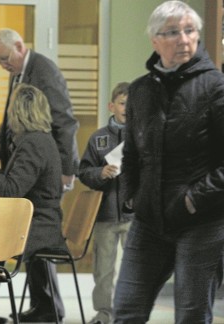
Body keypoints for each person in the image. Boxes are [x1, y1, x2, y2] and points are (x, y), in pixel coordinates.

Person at [113, 1, 224, 323]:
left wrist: (193, 199)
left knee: (191, 314)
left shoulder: (216, 87)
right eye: (173, 32)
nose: (184, 39)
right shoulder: (140, 91)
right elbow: (131, 154)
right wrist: (132, 196)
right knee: (126, 310)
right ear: (155, 40)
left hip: (202, 221)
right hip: (149, 221)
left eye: (190, 31)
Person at [0, 84, 68, 323]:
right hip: (43, 221)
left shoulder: (33, 143)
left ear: (18, 112)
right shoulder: (40, 141)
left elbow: (11, 190)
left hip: (38, 225)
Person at [0, 28, 79, 192]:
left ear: (19, 47)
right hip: (24, 163)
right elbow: (10, 113)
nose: (2, 65)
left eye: (4, 59)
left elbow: (65, 123)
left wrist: (66, 170)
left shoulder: (45, 71)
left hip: (43, 166)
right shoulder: (16, 70)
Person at [78, 82, 134, 324]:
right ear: (112, 105)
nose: (127, 109)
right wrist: (100, 173)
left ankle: (131, 313)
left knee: (134, 269)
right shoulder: (99, 138)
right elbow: (84, 171)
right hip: (105, 215)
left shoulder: (142, 136)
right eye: (123, 103)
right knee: (104, 269)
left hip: (135, 217)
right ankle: (104, 312)